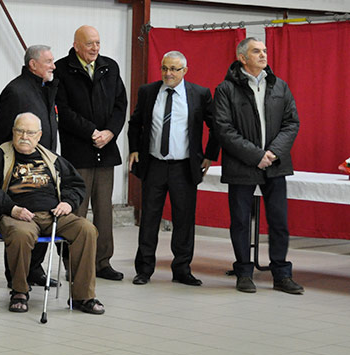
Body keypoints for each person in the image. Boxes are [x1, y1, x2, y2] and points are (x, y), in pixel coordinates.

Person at [0, 113, 104, 314]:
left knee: (86, 229)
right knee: (22, 234)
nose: (24, 136)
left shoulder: (51, 158)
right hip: (16, 215)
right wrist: (13, 209)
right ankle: (19, 291)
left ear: (39, 136)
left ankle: (83, 297)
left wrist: (68, 203)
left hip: (54, 214)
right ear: (13, 132)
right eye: (20, 131)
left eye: (30, 132)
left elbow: (76, 184)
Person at [213, 37, 303, 294]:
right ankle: (243, 273)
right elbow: (223, 129)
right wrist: (256, 156)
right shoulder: (226, 89)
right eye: (256, 51)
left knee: (279, 221)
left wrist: (273, 152)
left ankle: (281, 275)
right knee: (240, 221)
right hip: (242, 164)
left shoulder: (280, 86)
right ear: (242, 57)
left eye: (264, 50)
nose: (263, 55)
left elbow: (291, 123)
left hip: (275, 163)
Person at [127, 51, 220, 286]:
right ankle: (144, 269)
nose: (168, 73)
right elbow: (135, 122)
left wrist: (209, 155)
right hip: (154, 165)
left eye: (174, 69)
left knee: (184, 220)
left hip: (184, 167)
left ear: (184, 71)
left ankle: (182, 269)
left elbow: (216, 125)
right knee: (149, 218)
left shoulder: (199, 94)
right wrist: (134, 148)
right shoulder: (148, 92)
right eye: (165, 68)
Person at [55, 25, 127, 281]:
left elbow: (121, 104)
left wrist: (110, 133)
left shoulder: (110, 67)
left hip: (106, 151)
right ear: (76, 45)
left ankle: (102, 262)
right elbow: (62, 110)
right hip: (78, 153)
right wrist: (91, 132)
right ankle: (73, 263)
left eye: (98, 43)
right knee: (76, 211)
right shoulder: (62, 69)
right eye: (89, 44)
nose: (95, 48)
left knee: (104, 210)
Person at [0, 44, 59, 288]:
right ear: (33, 65)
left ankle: (34, 269)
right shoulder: (16, 91)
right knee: (21, 223)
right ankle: (16, 277)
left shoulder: (45, 88)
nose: (53, 65)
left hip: (44, 168)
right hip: (20, 172)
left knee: (46, 215)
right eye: (49, 61)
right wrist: (8, 163)